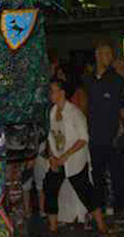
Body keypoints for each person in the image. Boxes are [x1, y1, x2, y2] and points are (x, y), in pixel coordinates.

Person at [43, 78, 109, 235]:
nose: (50, 94)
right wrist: (52, 156)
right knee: (50, 188)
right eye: (50, 91)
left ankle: (102, 226)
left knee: (85, 191)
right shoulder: (51, 112)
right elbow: (50, 137)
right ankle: (53, 228)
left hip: (74, 159)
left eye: (53, 90)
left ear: (62, 93)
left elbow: (83, 138)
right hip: (58, 158)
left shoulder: (74, 112)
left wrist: (65, 156)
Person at [82, 42, 124, 223]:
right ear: (97, 55)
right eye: (106, 53)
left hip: (113, 136)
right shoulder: (87, 79)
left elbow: (123, 108)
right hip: (94, 136)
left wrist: (121, 130)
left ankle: (120, 210)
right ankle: (99, 210)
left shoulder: (116, 80)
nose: (109, 57)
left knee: (118, 175)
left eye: (110, 53)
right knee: (98, 176)